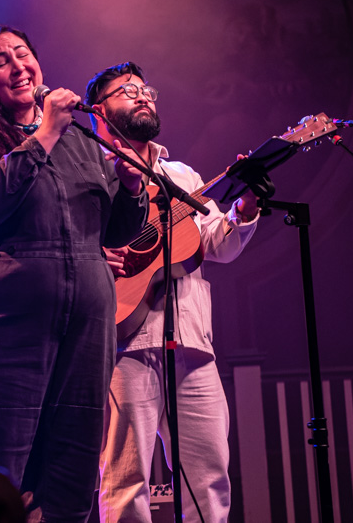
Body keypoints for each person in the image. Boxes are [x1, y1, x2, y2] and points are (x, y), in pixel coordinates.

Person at [0, 25, 148, 522]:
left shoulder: (83, 141)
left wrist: (132, 187)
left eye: (23, 54)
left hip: (83, 329)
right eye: (2, 61)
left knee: (70, 477)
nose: (18, 66)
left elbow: (116, 232)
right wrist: (45, 133)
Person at [86, 62, 259, 523]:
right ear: (98, 113)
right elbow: (72, 245)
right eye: (127, 91)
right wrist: (97, 256)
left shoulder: (181, 175)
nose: (143, 96)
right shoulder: (87, 176)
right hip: (126, 348)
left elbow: (214, 246)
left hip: (193, 348)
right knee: (126, 482)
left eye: (147, 89)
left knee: (209, 481)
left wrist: (244, 209)